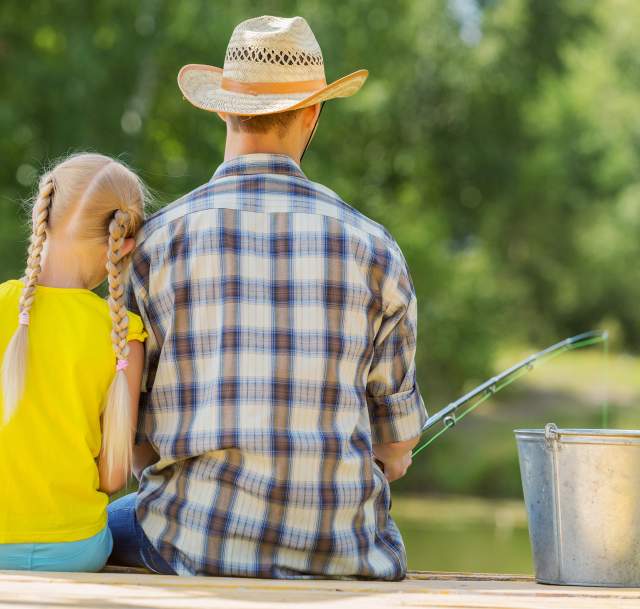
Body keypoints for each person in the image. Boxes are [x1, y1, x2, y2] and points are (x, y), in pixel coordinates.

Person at [109, 15, 426, 580]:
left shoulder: (155, 243)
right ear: (312, 114)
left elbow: (132, 443)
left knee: (112, 520)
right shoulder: (373, 248)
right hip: (345, 554)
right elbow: (398, 448)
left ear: (224, 108)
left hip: (191, 544)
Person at [0, 153, 147, 572]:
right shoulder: (123, 335)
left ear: (40, 217)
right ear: (124, 244)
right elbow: (113, 477)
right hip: (74, 550)